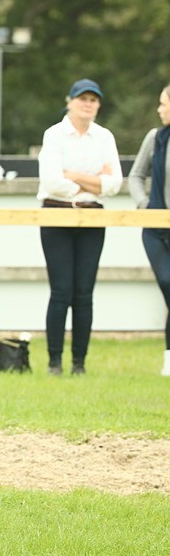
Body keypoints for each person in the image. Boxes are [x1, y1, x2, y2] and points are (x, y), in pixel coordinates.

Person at [37, 79, 123, 376]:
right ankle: (54, 361)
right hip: (57, 215)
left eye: (93, 99)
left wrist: (73, 175)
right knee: (61, 291)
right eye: (83, 98)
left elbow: (114, 184)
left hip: (92, 217)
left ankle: (79, 363)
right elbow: (51, 181)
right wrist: (92, 181)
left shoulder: (104, 137)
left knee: (84, 293)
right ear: (70, 101)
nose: (88, 104)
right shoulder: (54, 135)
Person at [129, 83, 170, 376]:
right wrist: (145, 204)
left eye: (163, 103)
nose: (159, 109)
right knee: (168, 282)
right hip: (155, 228)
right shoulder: (154, 138)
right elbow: (135, 175)